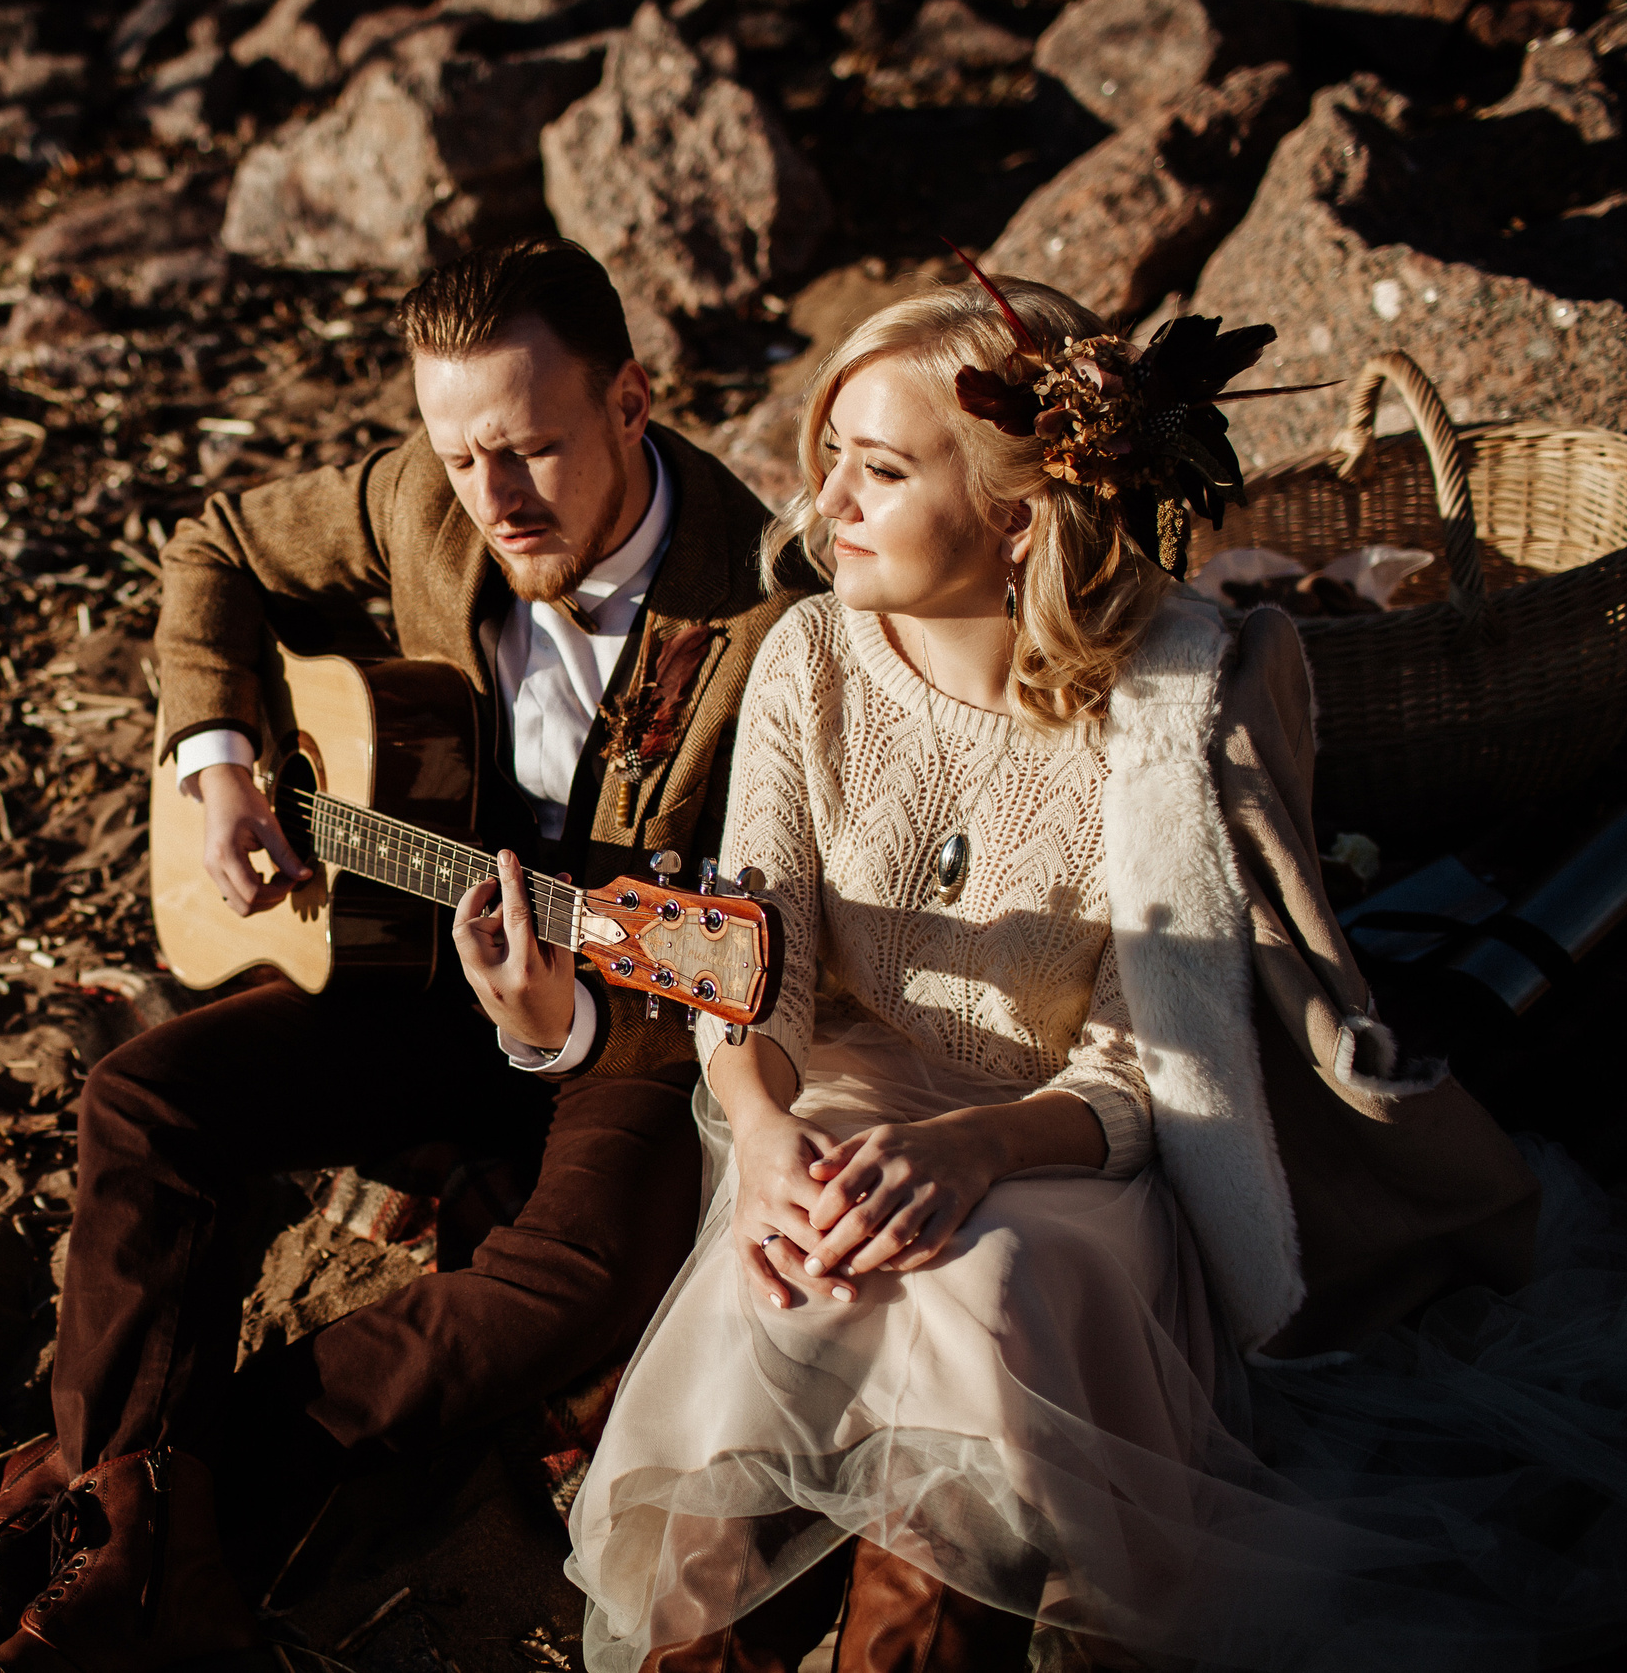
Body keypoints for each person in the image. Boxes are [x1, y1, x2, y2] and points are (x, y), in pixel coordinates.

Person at [565, 273, 1626, 1672]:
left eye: (878, 469)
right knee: (797, 1269)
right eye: (830, 457)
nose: (827, 502)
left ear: (1018, 515)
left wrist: (975, 1150)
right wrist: (763, 1138)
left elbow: (1152, 1057)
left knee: (988, 1286)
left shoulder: (1170, 693)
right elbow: (755, 961)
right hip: (841, 1085)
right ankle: (701, 1642)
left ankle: (916, 1639)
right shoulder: (809, 657)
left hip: (1066, 1136)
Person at [0, 236, 827, 1673]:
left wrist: (565, 1031)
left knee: (576, 1280)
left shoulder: (766, 623)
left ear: (633, 401)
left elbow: (754, 955)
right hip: (413, 970)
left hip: (633, 1025)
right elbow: (215, 542)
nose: (494, 499)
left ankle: (143, 1505)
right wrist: (224, 768)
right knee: (143, 1102)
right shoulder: (432, 497)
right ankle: (134, 1536)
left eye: (532, 450)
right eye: (463, 455)